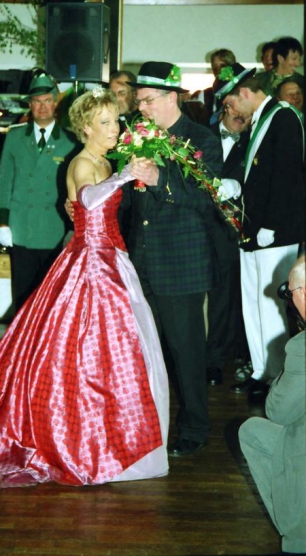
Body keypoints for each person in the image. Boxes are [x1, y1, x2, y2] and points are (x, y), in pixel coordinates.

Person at [0, 88, 170, 488]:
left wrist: (125, 174)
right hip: (92, 266)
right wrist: (124, 176)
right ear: (86, 128)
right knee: (85, 352)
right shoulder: (82, 161)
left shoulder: (103, 160)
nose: (115, 128)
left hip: (111, 261)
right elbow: (89, 199)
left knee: (115, 353)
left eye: (115, 120)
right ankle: (88, 440)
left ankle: (112, 437)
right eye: (105, 122)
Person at [122, 61, 238, 457]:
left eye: (147, 100)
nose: (141, 108)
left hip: (181, 264)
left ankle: (194, 428)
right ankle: (147, 426)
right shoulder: (138, 136)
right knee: (144, 352)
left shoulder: (201, 138)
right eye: (139, 101)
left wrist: (160, 180)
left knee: (186, 354)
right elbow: (130, 202)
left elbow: (207, 198)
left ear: (172, 97)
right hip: (142, 260)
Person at [213, 63, 305, 396]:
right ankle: (261, 369)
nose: (231, 110)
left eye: (231, 103)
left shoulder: (283, 117)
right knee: (252, 302)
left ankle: (278, 376)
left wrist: (271, 225)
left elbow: (287, 176)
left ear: (245, 92)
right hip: (251, 229)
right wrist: (236, 186)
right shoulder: (259, 121)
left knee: (271, 305)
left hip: (274, 232)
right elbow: (258, 174)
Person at [239, 254, 306, 556]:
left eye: (289, 293)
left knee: (258, 430)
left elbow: (278, 411)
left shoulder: (301, 347)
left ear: (303, 293)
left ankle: (298, 534)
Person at [0, 73, 81, 311]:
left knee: (52, 295)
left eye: (47, 101)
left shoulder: (71, 141)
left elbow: (75, 188)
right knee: (23, 293)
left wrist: (74, 226)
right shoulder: (14, 137)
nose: (42, 107)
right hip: (22, 226)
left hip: (54, 228)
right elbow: (5, 182)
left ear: (55, 104)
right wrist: (2, 222)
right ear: (30, 105)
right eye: (37, 101)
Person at [206, 104, 251, 386]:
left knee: (222, 299)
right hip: (194, 228)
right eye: (235, 107)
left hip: (228, 233)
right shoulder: (200, 135)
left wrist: (239, 187)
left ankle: (214, 361)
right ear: (225, 105)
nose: (240, 115)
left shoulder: (253, 142)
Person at [192, 48, 237, 124]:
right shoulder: (205, 94)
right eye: (215, 66)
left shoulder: (241, 92)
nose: (218, 70)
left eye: (222, 65)